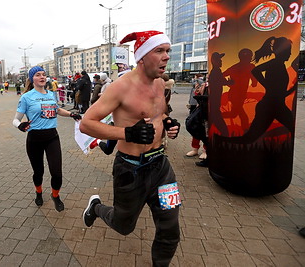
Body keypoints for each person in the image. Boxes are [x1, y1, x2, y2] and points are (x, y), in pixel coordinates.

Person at [80, 30, 181, 266]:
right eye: (160, 51)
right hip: (130, 170)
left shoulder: (159, 83)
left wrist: (168, 123)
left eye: (168, 50)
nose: (166, 56)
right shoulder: (120, 87)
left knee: (170, 228)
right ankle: (96, 207)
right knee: (123, 225)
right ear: (142, 57)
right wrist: (128, 133)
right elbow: (86, 124)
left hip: (161, 167)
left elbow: (160, 113)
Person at [12, 66, 82, 212]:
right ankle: (38, 192)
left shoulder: (51, 94)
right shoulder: (26, 97)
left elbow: (57, 110)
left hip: (52, 137)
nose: (42, 77)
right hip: (34, 139)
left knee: (56, 172)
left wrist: (71, 115)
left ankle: (55, 195)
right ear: (32, 79)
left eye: (44, 74)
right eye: (38, 75)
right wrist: (20, 125)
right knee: (39, 172)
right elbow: (15, 120)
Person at [186, 74, 207, 158]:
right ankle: (195, 149)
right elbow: (196, 95)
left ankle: (205, 150)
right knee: (195, 128)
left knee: (206, 131)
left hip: (209, 111)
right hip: (200, 110)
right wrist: (199, 90)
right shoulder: (203, 84)